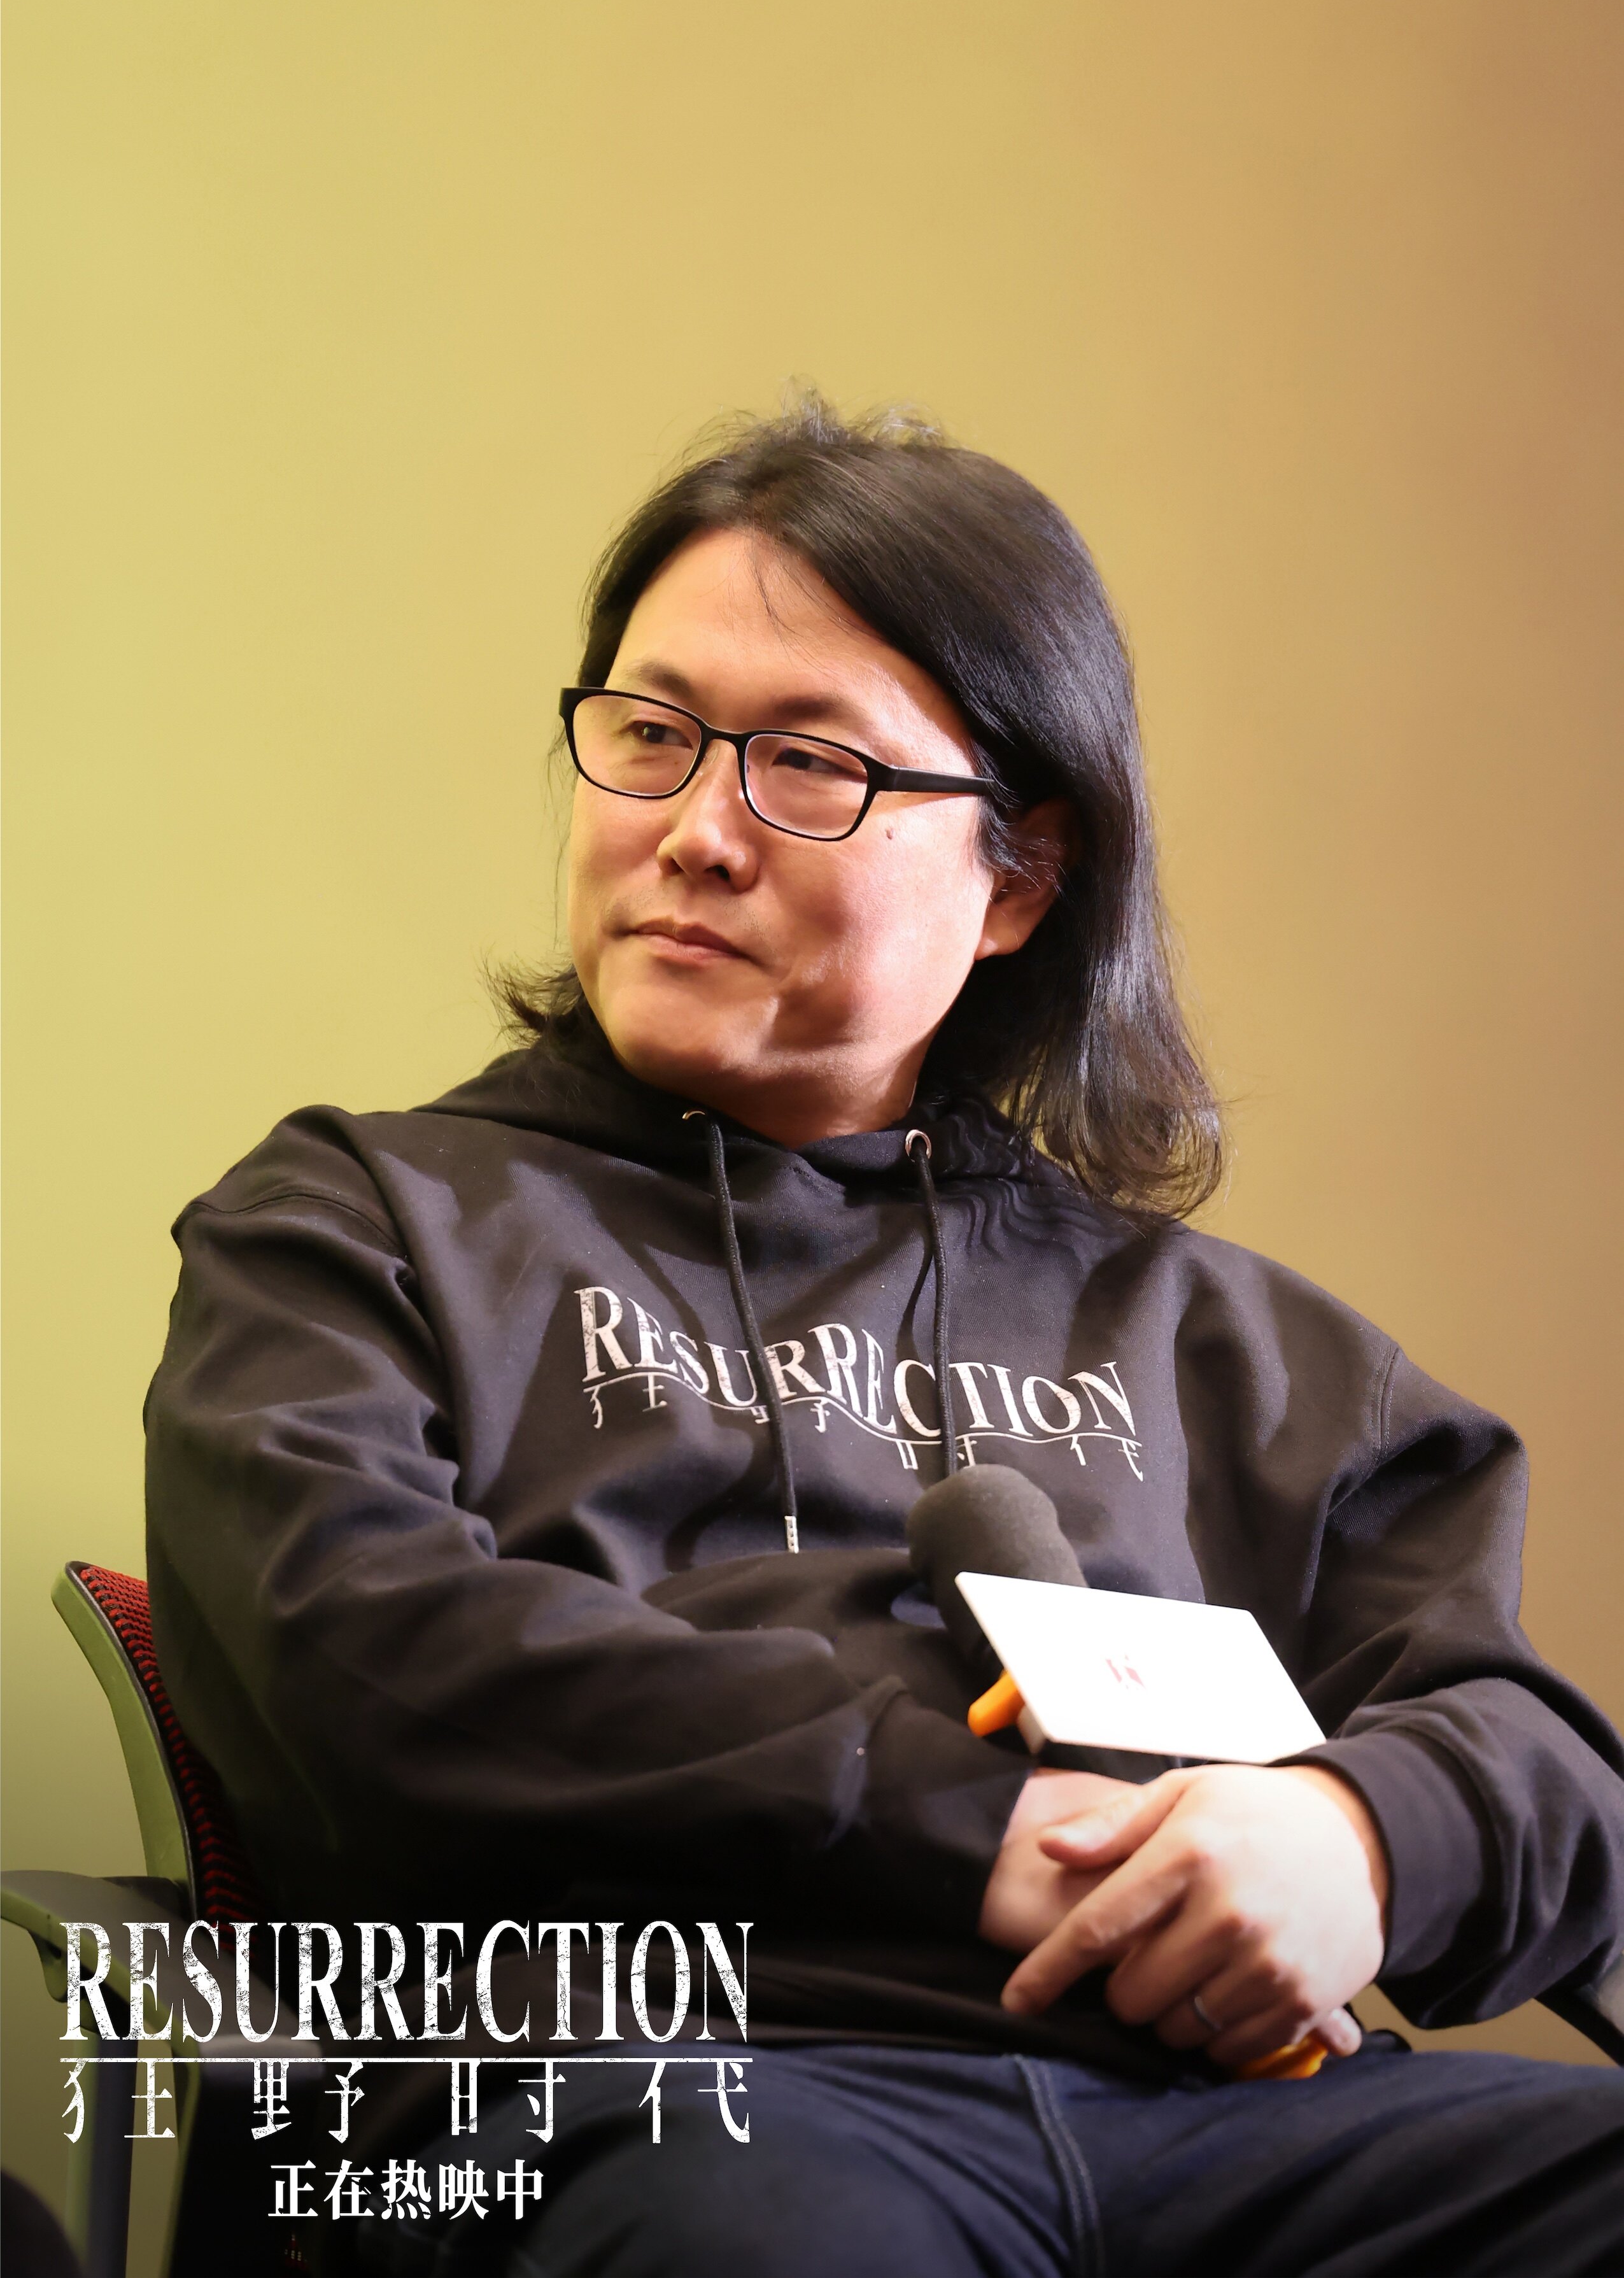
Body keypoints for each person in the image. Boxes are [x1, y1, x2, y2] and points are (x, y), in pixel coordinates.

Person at [145, 398, 1624, 2273]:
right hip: (673, 2094)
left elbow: (1547, 1762)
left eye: (812, 767)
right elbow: (359, 1654)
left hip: (1232, 2126)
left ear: (1018, 878)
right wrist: (974, 1826)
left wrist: (1359, 1834)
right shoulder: (358, 1224)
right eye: (652, 734)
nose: (697, 832)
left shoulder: (1230, 1348)